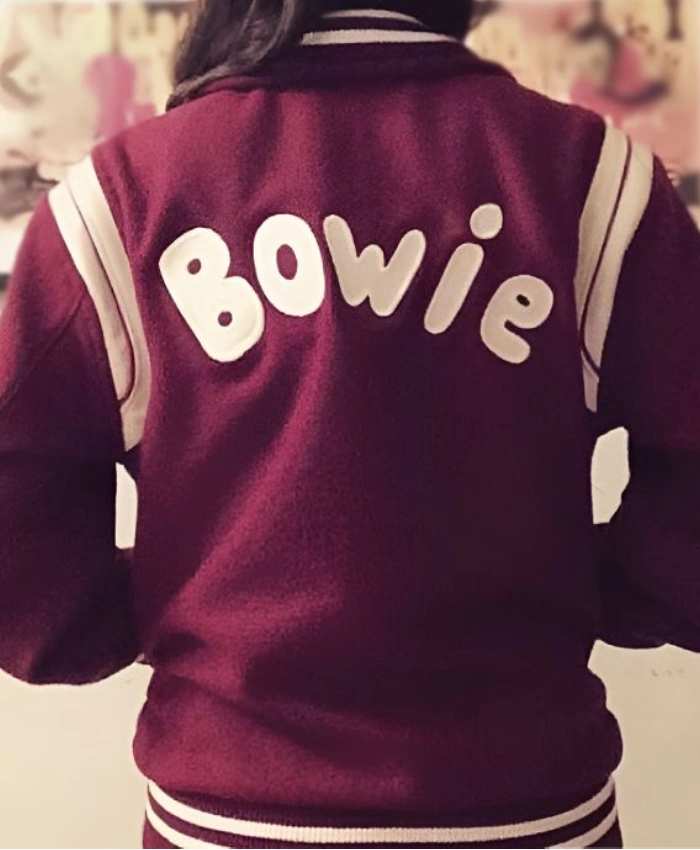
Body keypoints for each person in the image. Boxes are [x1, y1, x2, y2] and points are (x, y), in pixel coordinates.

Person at [1, 1, 699, 847]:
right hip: (536, 810)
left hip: (225, 816)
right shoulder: (591, 178)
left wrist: (150, 617)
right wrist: (602, 590)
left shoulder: (121, 197)